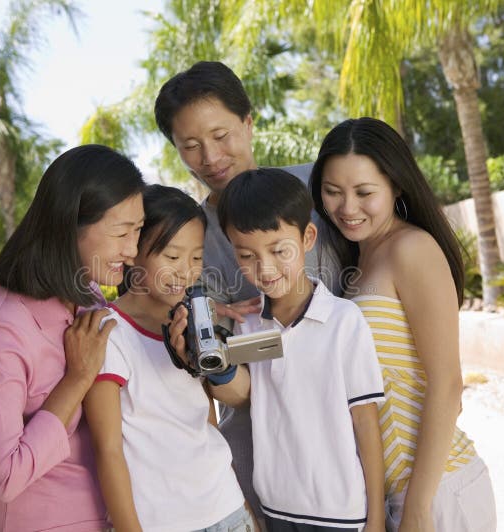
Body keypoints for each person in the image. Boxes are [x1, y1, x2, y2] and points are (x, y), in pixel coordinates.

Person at [154, 60, 340, 519]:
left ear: (248, 122)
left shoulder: (323, 189)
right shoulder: (187, 245)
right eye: (190, 146)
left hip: (349, 431)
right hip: (263, 459)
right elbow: (231, 388)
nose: (210, 158)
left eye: (221, 136)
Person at [168, 169, 386, 532]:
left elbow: (366, 423)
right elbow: (243, 396)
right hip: (275, 507)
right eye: (246, 255)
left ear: (308, 238)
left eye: (279, 250)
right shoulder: (248, 324)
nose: (265, 268)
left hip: (342, 513)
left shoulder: (344, 321)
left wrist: (376, 518)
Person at [309, 117, 497, 532]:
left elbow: (447, 384)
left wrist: (416, 509)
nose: (347, 208)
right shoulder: (358, 262)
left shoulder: (412, 248)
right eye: (332, 192)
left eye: (364, 192)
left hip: (436, 491)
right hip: (395, 496)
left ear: (396, 186)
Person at [0, 144, 146, 531]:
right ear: (68, 226)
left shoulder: (86, 295)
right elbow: (2, 477)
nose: (132, 250)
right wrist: (76, 379)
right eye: (121, 233)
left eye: (138, 230)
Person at [83, 184, 251, 531]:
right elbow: (108, 450)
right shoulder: (109, 333)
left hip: (227, 509)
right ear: (134, 252)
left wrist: (244, 507)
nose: (186, 271)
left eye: (196, 257)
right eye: (172, 257)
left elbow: (207, 425)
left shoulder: (190, 324)